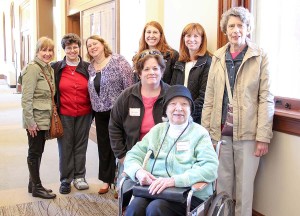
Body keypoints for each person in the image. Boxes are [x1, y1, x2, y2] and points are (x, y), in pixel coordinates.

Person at [201, 7, 274, 216]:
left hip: (248, 134)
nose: (236, 30)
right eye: (231, 26)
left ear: (248, 28)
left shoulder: (260, 56)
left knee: (244, 190)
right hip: (220, 133)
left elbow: (266, 98)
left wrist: (263, 136)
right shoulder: (217, 57)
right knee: (221, 187)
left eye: (240, 25)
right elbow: (210, 98)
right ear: (225, 29)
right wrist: (207, 133)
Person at [123, 85, 219, 216]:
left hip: (187, 192)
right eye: (173, 103)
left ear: (190, 109)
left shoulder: (199, 133)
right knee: (135, 207)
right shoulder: (158, 131)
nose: (178, 108)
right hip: (155, 189)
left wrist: (174, 181)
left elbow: (210, 168)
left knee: (156, 209)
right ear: (166, 109)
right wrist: (138, 172)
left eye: (184, 104)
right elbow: (133, 156)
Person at [109, 49, 169, 192]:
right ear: (139, 72)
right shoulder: (127, 96)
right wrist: (122, 156)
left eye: (155, 68)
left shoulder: (172, 96)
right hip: (133, 157)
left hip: (164, 159)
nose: (151, 72)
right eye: (146, 69)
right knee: (129, 197)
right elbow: (114, 126)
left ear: (162, 71)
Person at [86, 35, 134, 194]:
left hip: (118, 111)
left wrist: (128, 108)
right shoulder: (91, 66)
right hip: (99, 112)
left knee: (120, 147)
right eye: (89, 45)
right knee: (104, 147)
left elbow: (130, 85)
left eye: (95, 43)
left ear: (103, 44)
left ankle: (121, 181)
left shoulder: (118, 60)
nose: (93, 47)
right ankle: (106, 180)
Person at [51, 33, 92, 194]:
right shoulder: (57, 67)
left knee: (81, 145)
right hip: (64, 114)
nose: (73, 50)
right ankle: (66, 180)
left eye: (75, 47)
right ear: (64, 49)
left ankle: (80, 177)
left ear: (79, 48)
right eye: (69, 48)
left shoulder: (88, 67)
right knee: (65, 146)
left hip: (85, 113)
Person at [20, 36, 56, 199]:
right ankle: (37, 187)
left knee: (38, 150)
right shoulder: (33, 69)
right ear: (37, 51)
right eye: (44, 50)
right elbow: (26, 98)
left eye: (50, 50)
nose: (47, 53)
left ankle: (32, 184)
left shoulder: (48, 68)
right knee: (34, 152)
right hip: (35, 119)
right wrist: (30, 122)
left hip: (44, 118)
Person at [171, 23, 211, 124]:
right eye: (188, 35)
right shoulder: (179, 62)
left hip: (197, 119)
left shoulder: (208, 62)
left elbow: (204, 97)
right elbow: (172, 90)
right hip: (177, 116)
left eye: (196, 36)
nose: (191, 39)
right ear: (183, 38)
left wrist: (186, 114)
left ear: (202, 39)